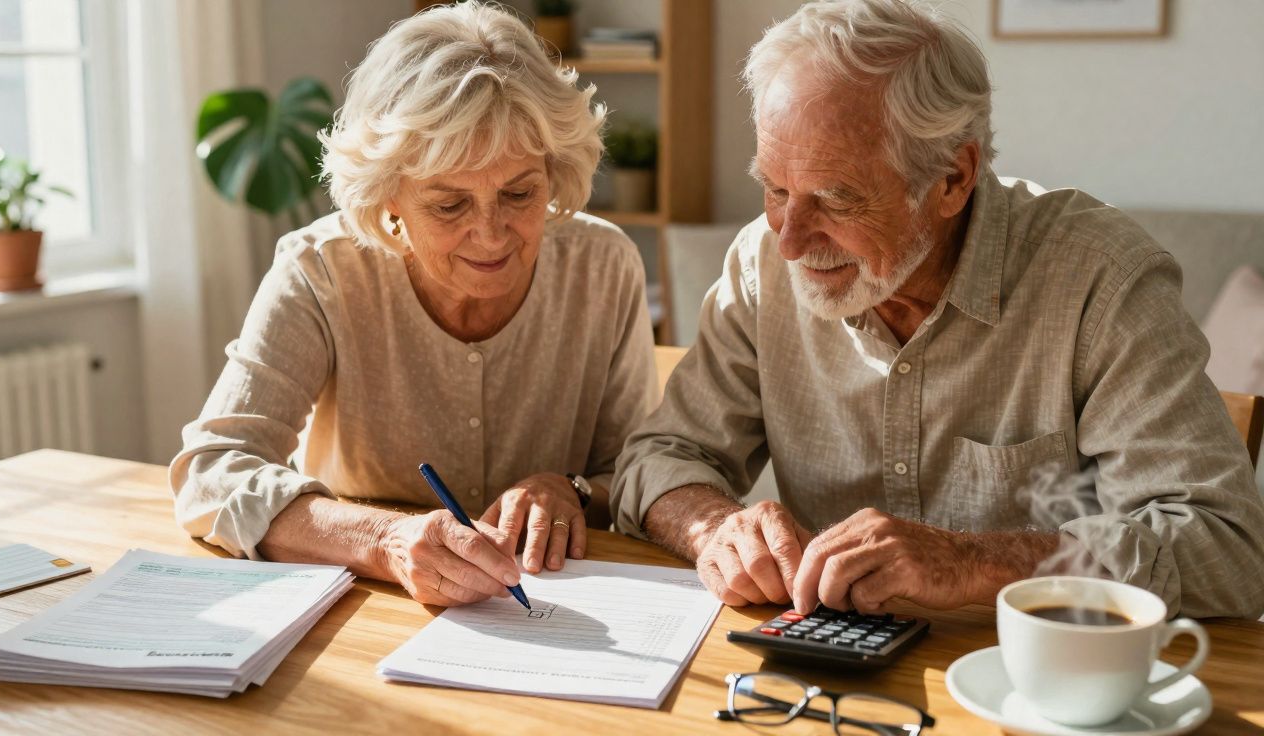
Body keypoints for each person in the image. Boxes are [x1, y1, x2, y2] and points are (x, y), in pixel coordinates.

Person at [612, 0, 1264, 619]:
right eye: (775, 189)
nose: (789, 239)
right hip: (829, 675)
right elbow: (660, 456)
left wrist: (969, 560)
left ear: (953, 178)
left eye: (836, 201)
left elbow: (1225, 546)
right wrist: (719, 529)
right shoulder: (761, 264)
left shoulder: (1100, 278)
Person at [171, 1, 657, 607]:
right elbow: (212, 472)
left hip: (559, 611)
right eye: (449, 205)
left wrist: (573, 490)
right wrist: (385, 538)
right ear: (387, 199)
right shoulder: (321, 269)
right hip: (363, 613)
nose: (491, 233)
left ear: (554, 173)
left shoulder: (603, 265)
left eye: (519, 192)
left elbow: (640, 470)